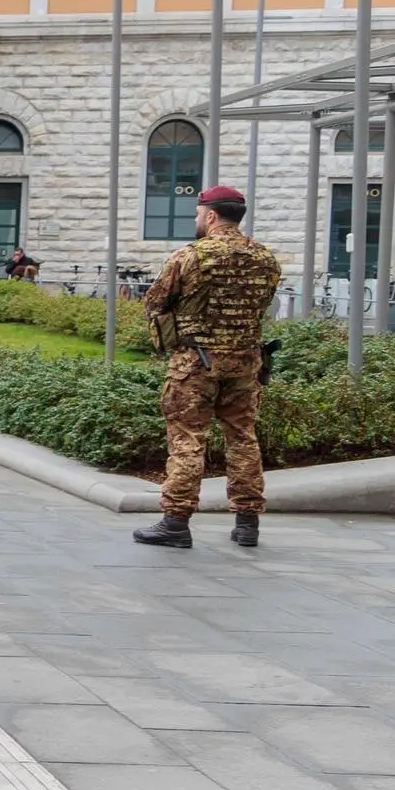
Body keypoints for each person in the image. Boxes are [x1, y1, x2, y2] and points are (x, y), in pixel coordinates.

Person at [134, 184, 282, 550]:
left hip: (195, 364)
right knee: (243, 437)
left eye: (198, 214)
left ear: (211, 215)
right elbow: (263, 305)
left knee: (187, 439)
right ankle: (247, 523)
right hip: (246, 364)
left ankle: (175, 522)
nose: (196, 220)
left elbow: (155, 303)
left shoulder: (190, 257)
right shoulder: (265, 258)